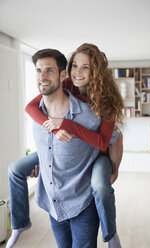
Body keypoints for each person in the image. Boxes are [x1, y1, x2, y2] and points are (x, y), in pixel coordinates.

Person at [6, 45, 124, 248]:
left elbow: (109, 140)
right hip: (55, 198)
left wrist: (114, 169)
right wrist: (52, 136)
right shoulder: (66, 83)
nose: (77, 72)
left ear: (96, 72)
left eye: (85, 67)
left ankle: (111, 234)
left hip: (99, 153)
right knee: (15, 169)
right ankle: (20, 223)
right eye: (74, 65)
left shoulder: (104, 104)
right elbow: (30, 107)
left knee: (100, 186)